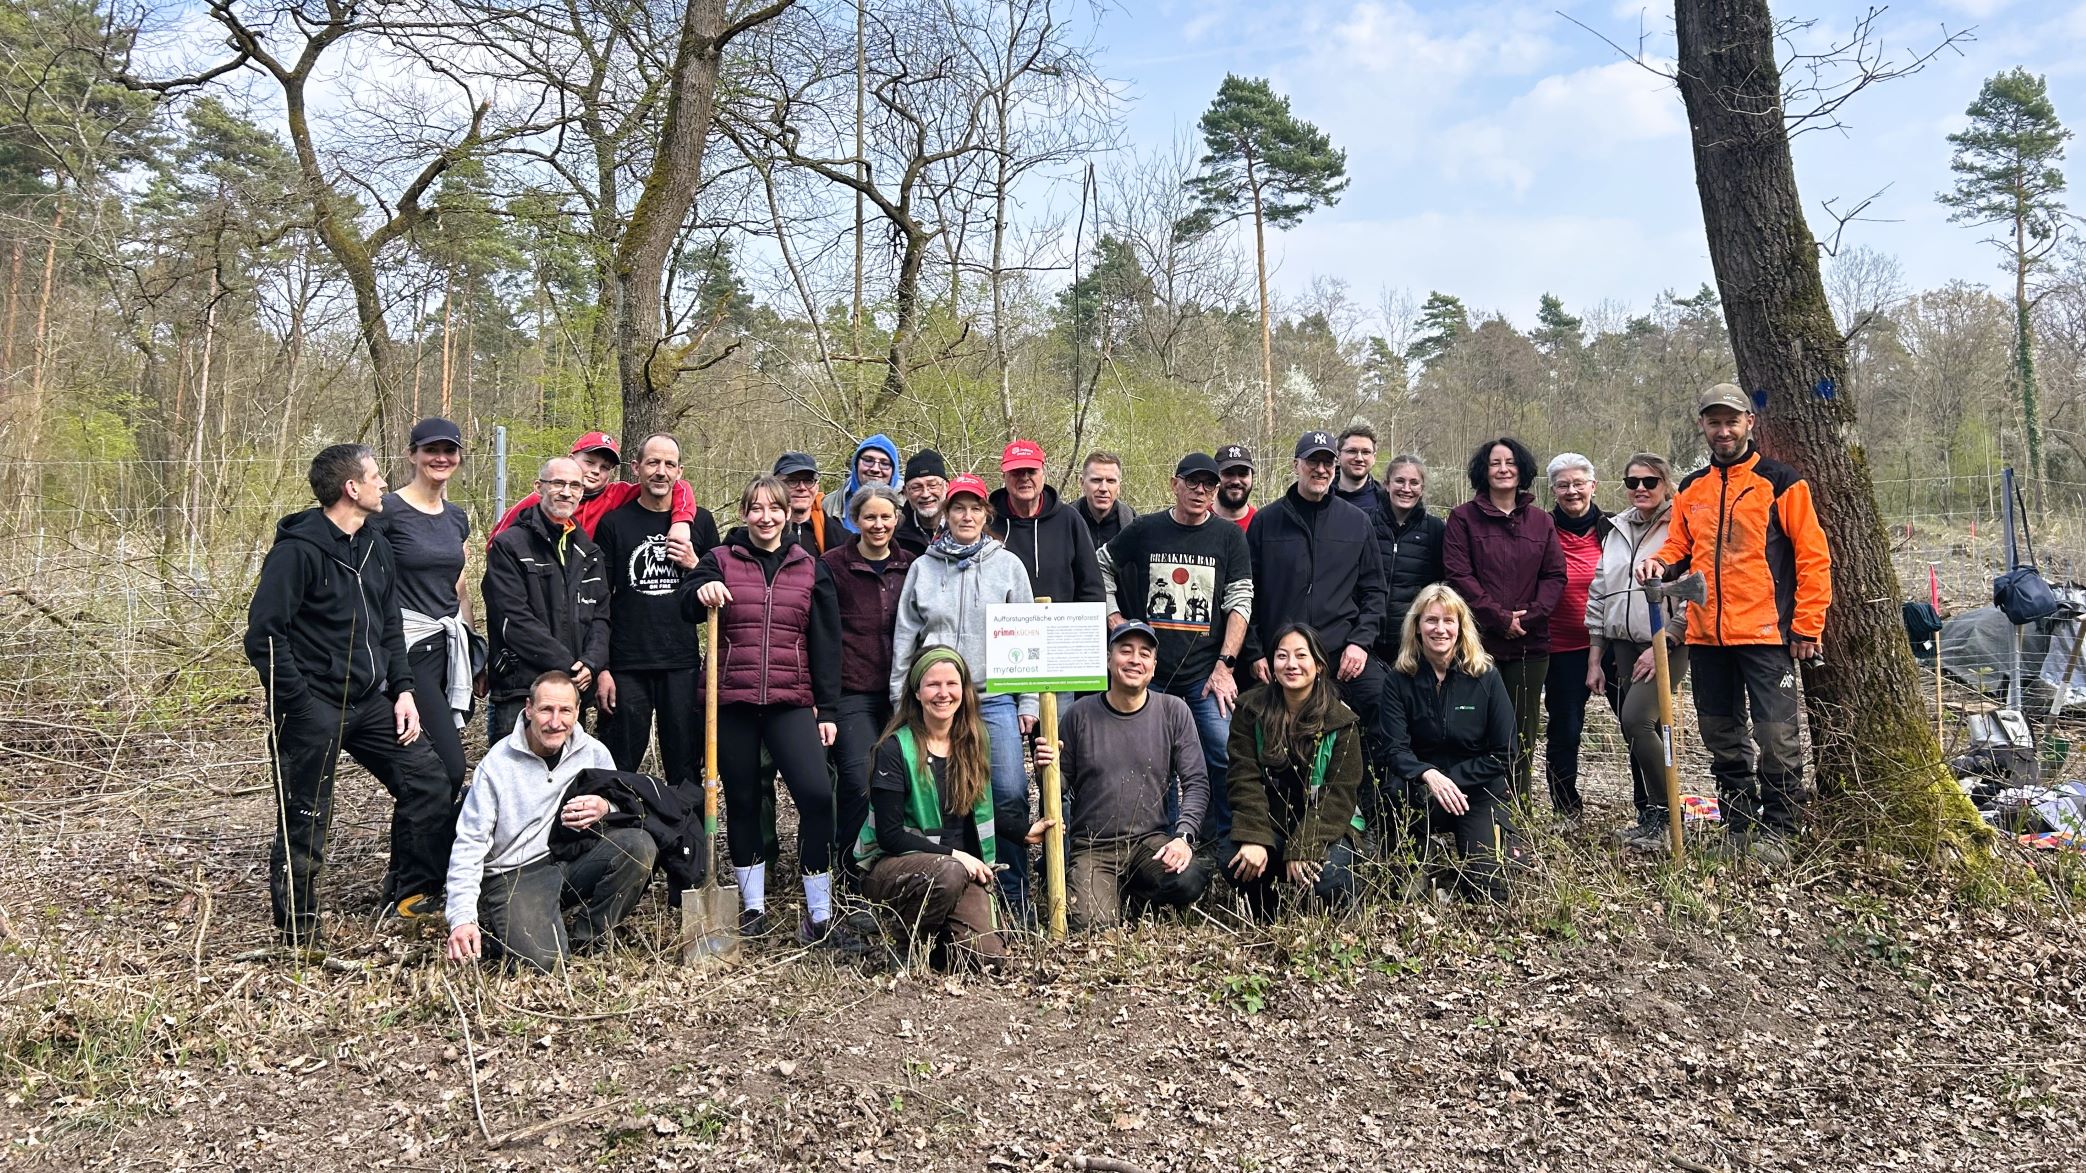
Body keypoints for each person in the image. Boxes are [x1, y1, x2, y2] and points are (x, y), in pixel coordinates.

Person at [243, 443, 453, 943]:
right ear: (351, 488)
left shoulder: (376, 544)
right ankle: (300, 931)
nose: (384, 484)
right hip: (312, 706)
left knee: (429, 780)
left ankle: (407, 897)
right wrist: (300, 703)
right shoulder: (298, 551)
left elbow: (389, 626)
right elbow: (264, 635)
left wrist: (402, 690)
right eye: (376, 477)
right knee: (307, 813)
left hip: (371, 701)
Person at [1638, 384, 1832, 863]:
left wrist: (1807, 625)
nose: (1723, 430)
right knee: (1720, 733)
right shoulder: (1692, 487)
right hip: (1706, 635)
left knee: (1776, 737)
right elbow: (1679, 547)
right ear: (1702, 426)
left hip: (1767, 635)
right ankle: (1740, 826)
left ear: (1749, 422)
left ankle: (1782, 831)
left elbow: (1813, 556)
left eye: (1731, 421)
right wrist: (1659, 565)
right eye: (1713, 422)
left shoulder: (1780, 481)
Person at [685, 475, 856, 947]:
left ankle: (818, 910)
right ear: (744, 514)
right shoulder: (720, 560)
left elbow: (826, 642)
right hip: (733, 703)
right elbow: (687, 603)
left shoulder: (809, 567)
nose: (766, 517)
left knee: (818, 796)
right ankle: (753, 907)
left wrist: (828, 710)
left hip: (791, 701)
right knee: (741, 800)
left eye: (774, 508)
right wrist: (703, 590)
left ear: (787, 513)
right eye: (756, 508)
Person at [889, 473, 1039, 912]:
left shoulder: (1007, 565)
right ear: (946, 514)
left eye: (975, 508)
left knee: (1009, 792)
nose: (967, 515)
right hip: (936, 699)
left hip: (992, 697)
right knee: (948, 797)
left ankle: (1014, 898)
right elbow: (905, 638)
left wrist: (1027, 701)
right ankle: (965, 893)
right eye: (958, 508)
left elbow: (1027, 635)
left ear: (986, 514)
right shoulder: (923, 567)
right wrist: (901, 699)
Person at [443, 672, 658, 971]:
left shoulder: (593, 752)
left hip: (570, 860)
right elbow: (470, 842)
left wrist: (605, 806)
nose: (555, 722)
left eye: (565, 711)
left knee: (639, 845)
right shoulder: (497, 765)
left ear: (577, 712)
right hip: (514, 873)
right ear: (529, 708)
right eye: (546, 710)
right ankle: (506, 923)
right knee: (545, 964)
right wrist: (462, 918)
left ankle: (592, 936)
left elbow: (627, 805)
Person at [1097, 452, 1253, 841]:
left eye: (1209, 485)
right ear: (1175, 483)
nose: (1200, 491)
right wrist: (1114, 618)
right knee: (1155, 761)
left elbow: (1241, 601)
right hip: (1151, 675)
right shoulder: (1147, 529)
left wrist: (1225, 666)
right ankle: (1161, 839)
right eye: (1192, 482)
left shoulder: (1229, 536)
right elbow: (1100, 565)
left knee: (1221, 753)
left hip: (1204, 675)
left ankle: (1223, 841)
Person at [855, 649, 1034, 971]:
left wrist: (1023, 831)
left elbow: (972, 809)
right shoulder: (894, 749)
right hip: (893, 867)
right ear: (917, 692)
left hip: (955, 871)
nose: (943, 693)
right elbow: (890, 836)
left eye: (952, 684)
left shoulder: (972, 741)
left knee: (988, 960)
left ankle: (939, 939)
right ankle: (907, 943)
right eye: (933, 684)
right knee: (948, 873)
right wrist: (957, 856)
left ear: (964, 691)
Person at [1242, 431, 1389, 816]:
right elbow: (1248, 594)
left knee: (1380, 699)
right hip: (1281, 658)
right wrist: (1256, 651)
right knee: (1256, 720)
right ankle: (1274, 815)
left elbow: (1375, 593)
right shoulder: (1266, 523)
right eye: (1312, 462)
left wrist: (1361, 642)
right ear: (1296, 466)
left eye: (1327, 463)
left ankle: (1369, 811)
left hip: (1340, 652)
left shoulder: (1356, 522)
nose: (1320, 469)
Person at [1045, 622, 1210, 931]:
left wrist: (1183, 837)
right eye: (1125, 651)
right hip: (1094, 847)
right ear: (1109, 660)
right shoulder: (1079, 714)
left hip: (1150, 843)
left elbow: (1196, 781)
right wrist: (1048, 769)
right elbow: (1059, 786)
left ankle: (1135, 894)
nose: (1135, 660)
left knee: (1190, 878)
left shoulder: (1173, 711)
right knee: (1091, 926)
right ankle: (1105, 892)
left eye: (1144, 654)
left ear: (1153, 666)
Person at [592, 435, 720, 821]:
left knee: (685, 766)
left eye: (668, 464)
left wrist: (695, 563)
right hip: (626, 664)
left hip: (680, 662)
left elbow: (715, 589)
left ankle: (691, 857)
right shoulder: (615, 523)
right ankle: (622, 849)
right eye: (652, 463)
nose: (660, 471)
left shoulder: (702, 522)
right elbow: (599, 600)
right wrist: (603, 668)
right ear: (637, 469)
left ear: (680, 472)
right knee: (619, 764)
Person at [1442, 437, 1564, 800]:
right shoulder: (1462, 519)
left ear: (1521, 468)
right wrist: (1498, 618)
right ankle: (1477, 808)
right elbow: (1458, 575)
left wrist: (1527, 618)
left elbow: (1555, 575)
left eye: (1510, 462)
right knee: (1474, 729)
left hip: (1530, 645)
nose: (1503, 468)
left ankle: (1517, 810)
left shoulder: (1541, 521)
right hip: (1478, 643)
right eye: (1495, 462)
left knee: (1523, 733)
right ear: (1484, 470)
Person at [1381, 584, 1517, 902]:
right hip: (1422, 792)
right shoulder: (1398, 680)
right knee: (1401, 894)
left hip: (1477, 792)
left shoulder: (1486, 677)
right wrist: (1429, 774)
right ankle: (1413, 866)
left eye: (1449, 621)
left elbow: (1505, 753)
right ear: (1416, 627)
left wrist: (1453, 780)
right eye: (1431, 620)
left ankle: (1465, 870)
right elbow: (1394, 748)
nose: (1440, 629)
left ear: (1461, 627)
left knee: (1489, 891)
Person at [1221, 624, 1364, 921]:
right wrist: (1254, 836)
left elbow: (1339, 795)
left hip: (1327, 827)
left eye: (1301, 655)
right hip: (1271, 823)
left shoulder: (1341, 720)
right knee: (1232, 860)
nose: (1291, 664)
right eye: (1282, 656)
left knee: (1330, 877)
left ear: (1319, 665)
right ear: (1272, 664)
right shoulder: (1250, 710)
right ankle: (1265, 913)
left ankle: (1329, 915)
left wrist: (1305, 844)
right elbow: (1242, 778)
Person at [367, 418, 474, 799]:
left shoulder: (457, 517)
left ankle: (427, 856)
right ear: (412, 455)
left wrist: (473, 649)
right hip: (408, 650)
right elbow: (369, 586)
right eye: (431, 450)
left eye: (449, 451)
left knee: (424, 771)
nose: (441, 458)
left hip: (447, 648)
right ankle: (420, 858)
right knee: (448, 766)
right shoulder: (387, 511)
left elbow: (459, 585)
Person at [1587, 454, 1690, 850]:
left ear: (1666, 483)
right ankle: (1650, 814)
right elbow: (1600, 592)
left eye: (1650, 481)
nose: (1640, 488)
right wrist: (1596, 656)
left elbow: (1692, 590)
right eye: (1632, 482)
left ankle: (1668, 814)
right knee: (1645, 728)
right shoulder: (1616, 528)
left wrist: (1662, 645)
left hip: (1666, 642)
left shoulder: (1679, 526)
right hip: (1621, 643)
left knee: (1637, 721)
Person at [824, 483, 917, 878]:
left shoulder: (912, 565)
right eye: (869, 517)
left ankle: (897, 867)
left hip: (903, 694)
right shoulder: (831, 566)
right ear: (855, 520)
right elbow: (821, 633)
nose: (878, 525)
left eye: (886, 516)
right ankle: (850, 874)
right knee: (860, 780)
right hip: (852, 692)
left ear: (897, 518)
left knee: (905, 781)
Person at [482, 456, 611, 740]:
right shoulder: (509, 545)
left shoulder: (589, 552)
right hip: (521, 689)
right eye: (558, 483)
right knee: (515, 779)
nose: (567, 491)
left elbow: (601, 617)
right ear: (538, 487)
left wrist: (591, 663)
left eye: (575, 485)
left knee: (565, 779)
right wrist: (568, 666)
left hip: (571, 694)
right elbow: (512, 618)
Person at [487, 431, 698, 543]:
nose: (596, 470)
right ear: (571, 458)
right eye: (589, 462)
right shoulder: (543, 498)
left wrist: (681, 522)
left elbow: (677, 486)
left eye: (605, 467)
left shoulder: (616, 495)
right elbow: (496, 542)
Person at [1543, 453, 1605, 819]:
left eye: (1579, 483)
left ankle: (1651, 809)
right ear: (1553, 490)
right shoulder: (1543, 527)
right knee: (1565, 730)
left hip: (1610, 645)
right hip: (1561, 647)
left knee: (1637, 725)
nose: (1572, 491)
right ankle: (1567, 810)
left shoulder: (1613, 528)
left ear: (1592, 486)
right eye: (1564, 485)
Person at [990, 438, 1104, 605]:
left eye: (1031, 471)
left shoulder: (1069, 519)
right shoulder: (986, 521)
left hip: (1059, 627)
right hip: (1003, 627)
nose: (1025, 478)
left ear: (1043, 474)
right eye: (1017, 472)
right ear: (1004, 476)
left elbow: (1091, 587)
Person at [1369, 454, 1446, 674]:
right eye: (1400, 481)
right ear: (1386, 484)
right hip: (1368, 638)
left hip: (1412, 640)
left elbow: (1439, 585)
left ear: (1422, 488)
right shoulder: (1365, 523)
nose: (1406, 488)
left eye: (1414, 483)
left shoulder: (1435, 529)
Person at [823, 433, 902, 534]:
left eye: (884, 463)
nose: (875, 469)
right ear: (856, 464)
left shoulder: (908, 504)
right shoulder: (830, 504)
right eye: (868, 460)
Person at [772, 450, 830, 554]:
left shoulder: (837, 536)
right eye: (792, 481)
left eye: (808, 481)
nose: (802, 488)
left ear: (817, 487)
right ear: (775, 486)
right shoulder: (759, 534)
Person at [1075, 450, 1136, 546]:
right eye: (1096, 480)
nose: (1103, 488)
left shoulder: (1134, 524)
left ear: (1119, 487)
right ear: (1082, 483)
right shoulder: (1063, 522)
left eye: (1110, 481)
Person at [896, 448, 948, 555]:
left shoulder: (963, 528)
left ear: (946, 487)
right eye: (916, 487)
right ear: (906, 492)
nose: (925, 494)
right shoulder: (894, 534)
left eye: (932, 485)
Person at [1332, 425, 1388, 512]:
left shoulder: (1385, 501)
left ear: (1374, 458)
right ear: (1338, 455)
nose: (1359, 458)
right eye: (1352, 451)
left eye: (1366, 452)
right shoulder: (1322, 494)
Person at [1213, 443, 1257, 530]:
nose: (1235, 481)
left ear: (1252, 477)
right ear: (1214, 477)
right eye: (1228, 474)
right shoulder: (1198, 520)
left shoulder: (1262, 523)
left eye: (1243, 474)